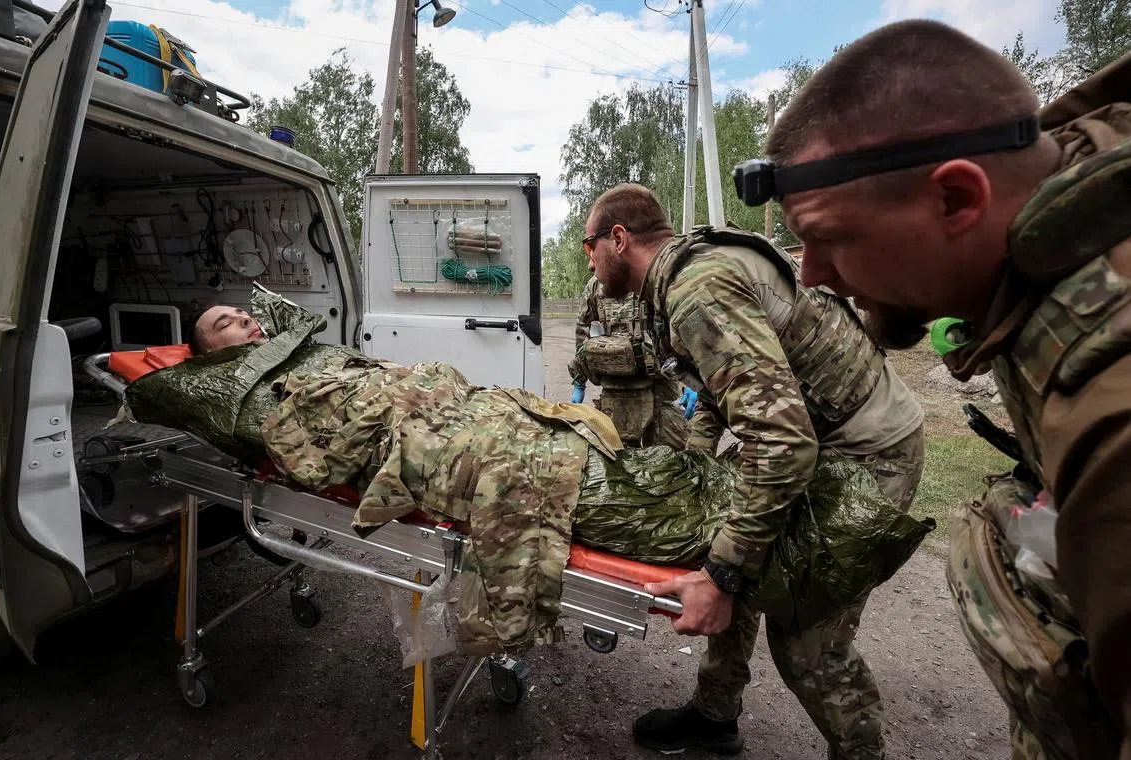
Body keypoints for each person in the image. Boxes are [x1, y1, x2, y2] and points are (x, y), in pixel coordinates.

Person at [134, 286, 929, 666]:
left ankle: (803, 519)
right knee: (612, 491)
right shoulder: (243, 389)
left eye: (241, 314)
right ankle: (817, 536)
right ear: (207, 354)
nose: (240, 321)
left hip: (461, 413)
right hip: (425, 441)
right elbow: (311, 447)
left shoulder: (306, 352)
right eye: (220, 324)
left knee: (622, 457)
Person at [733, 19, 1131, 760]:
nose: (812, 273)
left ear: (955, 199)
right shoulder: (1057, 251)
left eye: (829, 235)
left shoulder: (1113, 398)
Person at [582, 183, 926, 758]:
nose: (588, 260)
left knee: (807, 640)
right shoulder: (687, 275)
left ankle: (861, 753)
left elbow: (782, 443)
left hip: (869, 451)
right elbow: (731, 390)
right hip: (812, 435)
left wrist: (719, 575)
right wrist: (693, 467)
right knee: (736, 553)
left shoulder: (698, 289)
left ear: (618, 239)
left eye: (590, 245)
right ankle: (714, 718)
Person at [568, 273, 691, 448]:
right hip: (614, 389)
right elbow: (583, 331)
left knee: (671, 456)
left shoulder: (652, 278)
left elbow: (679, 330)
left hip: (658, 387)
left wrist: (689, 381)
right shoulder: (596, 285)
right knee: (618, 457)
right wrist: (579, 381)